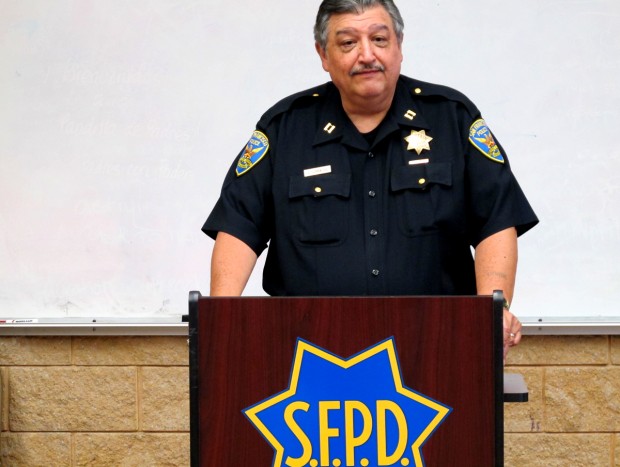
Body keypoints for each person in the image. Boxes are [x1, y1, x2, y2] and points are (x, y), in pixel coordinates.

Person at [202, 0, 538, 355]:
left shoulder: (451, 118)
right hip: (308, 351)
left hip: (437, 346)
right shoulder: (286, 127)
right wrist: (221, 318)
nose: (367, 55)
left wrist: (493, 311)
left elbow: (496, 221)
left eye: (379, 39)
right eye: (348, 43)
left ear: (399, 46)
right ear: (323, 54)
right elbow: (238, 226)